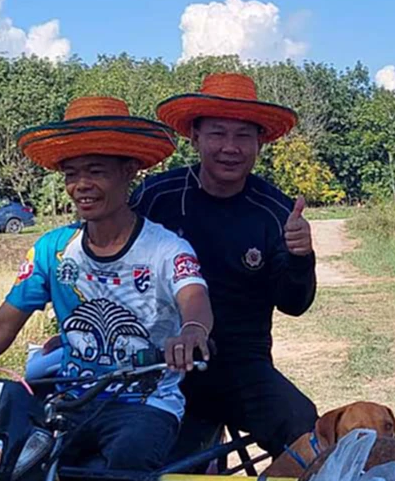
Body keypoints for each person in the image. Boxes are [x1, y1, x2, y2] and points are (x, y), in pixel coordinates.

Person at [0, 96, 214, 474]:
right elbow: (2, 325)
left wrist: (192, 332)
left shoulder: (166, 249)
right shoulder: (51, 250)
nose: (81, 185)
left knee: (125, 466)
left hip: (144, 403)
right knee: (16, 467)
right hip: (71, 401)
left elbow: (194, 297)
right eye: (71, 174)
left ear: (129, 171)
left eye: (96, 171)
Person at [132, 73, 318, 455]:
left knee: (305, 429)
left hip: (242, 366)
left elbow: (294, 304)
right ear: (195, 136)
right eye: (217, 134)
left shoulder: (276, 210)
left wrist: (301, 257)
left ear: (259, 142)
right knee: (141, 460)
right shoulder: (155, 197)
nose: (230, 148)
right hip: (161, 362)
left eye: (243, 136)